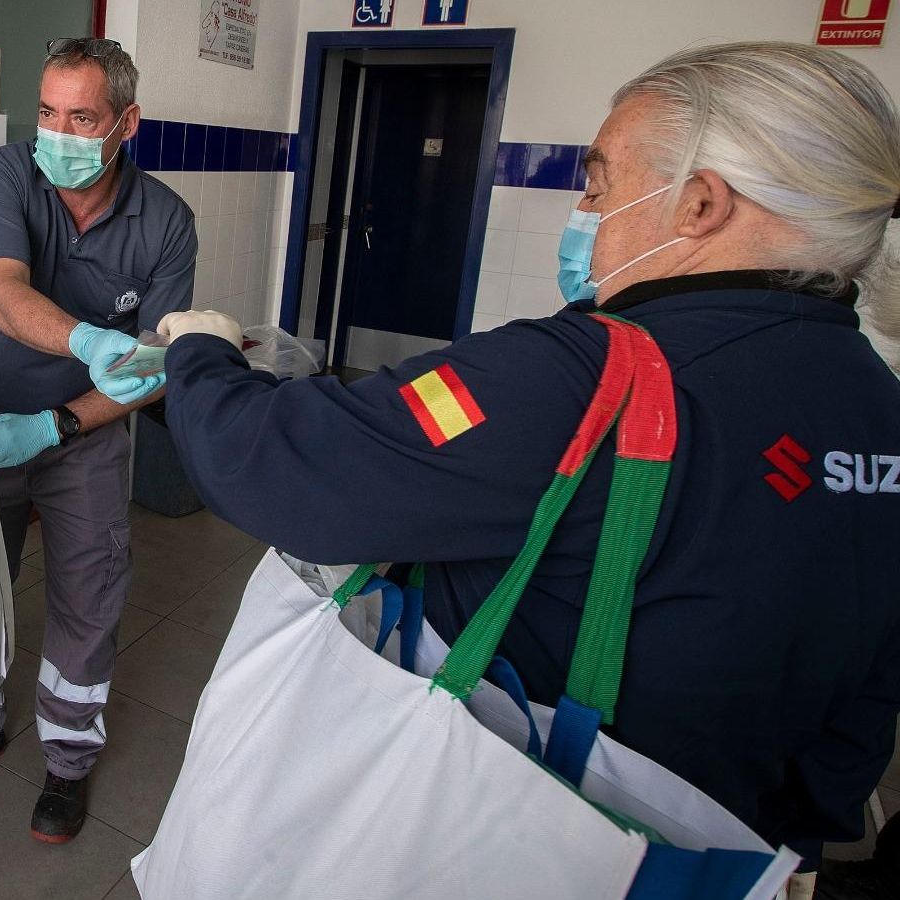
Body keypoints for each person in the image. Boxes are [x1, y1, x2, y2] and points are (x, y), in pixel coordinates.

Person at [150, 42, 900, 887]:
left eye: (601, 183)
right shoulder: (876, 397)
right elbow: (868, 691)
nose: (586, 210)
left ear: (698, 203)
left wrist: (203, 353)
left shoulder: (584, 374)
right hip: (727, 849)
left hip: (524, 820)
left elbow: (271, 464)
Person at [0, 37, 196, 844]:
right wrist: (93, 343)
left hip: (87, 437)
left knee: (87, 598)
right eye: (47, 112)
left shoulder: (166, 222)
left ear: (126, 123)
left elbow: (156, 369)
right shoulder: (5, 173)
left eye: (82, 117)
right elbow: (3, 292)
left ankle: (67, 760)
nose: (57, 133)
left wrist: (62, 421)